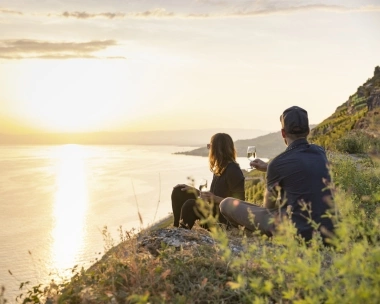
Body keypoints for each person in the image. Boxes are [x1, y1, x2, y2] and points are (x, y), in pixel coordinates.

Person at [219, 106, 335, 245]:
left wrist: (272, 171)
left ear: (283, 133)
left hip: (296, 233)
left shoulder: (278, 163)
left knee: (226, 203)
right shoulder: (320, 152)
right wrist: (269, 168)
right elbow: (302, 169)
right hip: (328, 232)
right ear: (308, 131)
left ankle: (254, 238)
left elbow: (268, 207)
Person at [171, 133, 245, 230]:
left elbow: (240, 204)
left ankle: (181, 234)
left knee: (190, 205)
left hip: (223, 221)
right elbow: (213, 195)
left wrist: (216, 198)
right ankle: (175, 229)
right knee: (179, 191)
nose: (209, 149)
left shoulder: (233, 170)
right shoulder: (220, 168)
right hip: (213, 210)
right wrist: (197, 192)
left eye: (210, 146)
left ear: (217, 149)